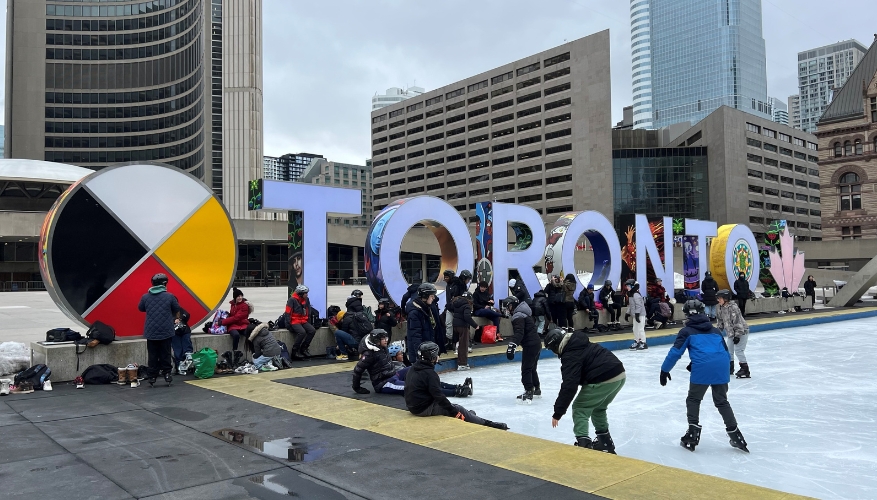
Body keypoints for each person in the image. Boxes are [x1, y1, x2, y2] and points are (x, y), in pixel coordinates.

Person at [660, 299, 748, 453]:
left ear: (687, 314)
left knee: (694, 399)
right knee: (722, 401)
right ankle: (736, 436)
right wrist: (727, 367)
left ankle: (693, 434)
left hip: (702, 368)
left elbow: (675, 353)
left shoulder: (686, 332)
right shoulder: (714, 331)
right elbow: (724, 351)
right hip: (721, 366)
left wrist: (664, 370)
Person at [545, 328, 626, 453]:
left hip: (602, 378)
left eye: (552, 349)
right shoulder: (578, 342)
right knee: (598, 408)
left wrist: (558, 411)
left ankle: (584, 445)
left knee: (580, 408)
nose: (554, 353)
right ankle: (605, 442)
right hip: (619, 375)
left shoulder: (570, 355)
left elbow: (569, 385)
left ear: (556, 344)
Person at [404, 342, 507, 430]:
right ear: (432, 357)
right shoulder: (429, 374)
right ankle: (487, 423)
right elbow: (439, 396)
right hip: (423, 409)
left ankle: (468, 415)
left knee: (453, 407)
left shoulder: (414, 368)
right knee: (457, 408)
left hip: (414, 406)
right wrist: (454, 412)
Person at [353, 330, 472, 396]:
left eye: (386, 338)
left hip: (393, 375)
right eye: (383, 339)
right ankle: (455, 392)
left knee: (416, 370)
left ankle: (457, 387)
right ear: (376, 341)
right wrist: (357, 388)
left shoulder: (381, 348)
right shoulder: (369, 354)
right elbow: (358, 370)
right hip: (384, 383)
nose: (386, 340)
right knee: (417, 387)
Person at [138, 273, 180, 387]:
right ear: (165, 284)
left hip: (151, 331)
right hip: (166, 330)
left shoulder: (145, 297)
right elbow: (176, 308)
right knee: (165, 353)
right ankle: (167, 374)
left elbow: (140, 308)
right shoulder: (170, 296)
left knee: (152, 354)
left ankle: (152, 376)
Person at [504, 296, 541, 403]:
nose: (508, 309)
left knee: (526, 369)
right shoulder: (524, 314)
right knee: (532, 368)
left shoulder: (518, 316)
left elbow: (519, 332)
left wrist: (512, 345)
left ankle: (529, 391)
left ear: (513, 306)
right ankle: (536, 388)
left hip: (530, 345)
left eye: (509, 306)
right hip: (536, 343)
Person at [716, 290, 750, 378]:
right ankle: (729, 368)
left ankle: (745, 369)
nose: (718, 300)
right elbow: (720, 321)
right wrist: (717, 332)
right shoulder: (720, 307)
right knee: (729, 350)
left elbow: (738, 322)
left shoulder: (733, 307)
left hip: (742, 331)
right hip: (731, 333)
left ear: (726, 298)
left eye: (720, 298)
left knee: (738, 350)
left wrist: (737, 335)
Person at [405, 283, 439, 364]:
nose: (433, 298)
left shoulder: (426, 308)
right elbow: (416, 336)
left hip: (427, 351)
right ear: (425, 296)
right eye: (432, 296)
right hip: (421, 355)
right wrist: (421, 355)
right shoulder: (415, 313)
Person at [285, 285, 316, 359]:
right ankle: (294, 351)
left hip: (303, 320)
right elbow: (288, 312)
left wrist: (309, 322)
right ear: (301, 293)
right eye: (306, 293)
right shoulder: (292, 300)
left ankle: (304, 348)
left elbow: (308, 311)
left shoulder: (306, 299)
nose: (307, 294)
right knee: (302, 332)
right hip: (294, 321)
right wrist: (288, 325)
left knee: (312, 330)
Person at [221, 287, 251, 358]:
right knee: (236, 335)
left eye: (241, 296)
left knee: (249, 334)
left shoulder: (244, 305)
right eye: (238, 296)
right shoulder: (233, 305)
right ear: (235, 298)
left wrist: (222, 322)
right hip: (233, 325)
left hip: (243, 324)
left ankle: (251, 351)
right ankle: (235, 352)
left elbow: (237, 317)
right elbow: (233, 316)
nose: (240, 298)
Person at [452, 291, 479, 370]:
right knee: (464, 345)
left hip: (455, 325)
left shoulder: (456, 303)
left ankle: (460, 362)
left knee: (459, 343)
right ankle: (462, 364)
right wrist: (475, 325)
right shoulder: (466, 305)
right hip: (462, 326)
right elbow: (467, 317)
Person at [627, 279, 647, 350]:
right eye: (627, 286)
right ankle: (637, 341)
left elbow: (639, 305)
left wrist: (637, 314)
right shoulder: (631, 294)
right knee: (635, 328)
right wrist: (627, 313)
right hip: (635, 315)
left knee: (640, 328)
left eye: (628, 286)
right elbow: (631, 305)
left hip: (640, 314)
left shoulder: (636, 294)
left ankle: (643, 343)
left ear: (633, 286)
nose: (627, 287)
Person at [171, 308, 193, 375]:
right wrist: (174, 320)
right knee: (177, 348)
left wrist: (180, 318)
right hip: (174, 333)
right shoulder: (166, 311)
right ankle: (179, 363)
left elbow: (187, 315)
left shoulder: (180, 310)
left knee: (186, 341)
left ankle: (188, 354)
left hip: (184, 331)